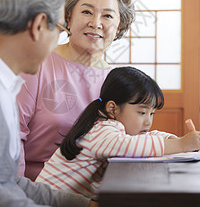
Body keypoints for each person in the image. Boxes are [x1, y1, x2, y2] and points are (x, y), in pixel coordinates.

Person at [17, 0, 135, 181]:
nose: (96, 23)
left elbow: (127, 143)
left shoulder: (118, 81)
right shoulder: (37, 64)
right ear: (68, 17)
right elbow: (13, 137)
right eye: (87, 12)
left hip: (97, 191)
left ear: (118, 28)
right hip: (37, 189)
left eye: (107, 15)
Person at [0, 0, 95, 206]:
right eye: (61, 30)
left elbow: (11, 183)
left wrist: (85, 204)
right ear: (39, 25)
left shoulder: (8, 86)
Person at [36, 66, 200, 201]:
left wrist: (175, 139)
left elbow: (144, 137)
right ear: (112, 108)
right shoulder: (101, 130)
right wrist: (180, 144)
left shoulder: (107, 125)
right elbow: (128, 146)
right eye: (142, 113)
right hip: (45, 202)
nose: (148, 121)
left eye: (152, 114)